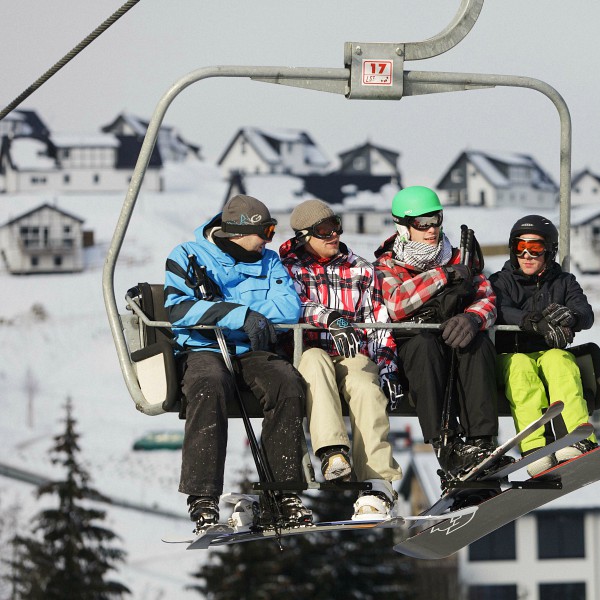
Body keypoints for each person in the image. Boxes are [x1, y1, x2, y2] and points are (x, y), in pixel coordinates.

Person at [164, 194, 312, 533]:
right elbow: (179, 310)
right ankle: (202, 496)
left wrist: (241, 316)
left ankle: (283, 491)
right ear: (237, 231)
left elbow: (289, 308)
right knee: (209, 384)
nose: (269, 240)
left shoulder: (270, 261)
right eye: (266, 232)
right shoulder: (188, 256)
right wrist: (240, 314)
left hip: (250, 350)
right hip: (204, 348)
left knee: (287, 383)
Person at [279, 199, 403, 519]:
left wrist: (388, 367)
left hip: (351, 354)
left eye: (336, 226)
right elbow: (289, 307)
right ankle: (333, 453)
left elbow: (377, 322)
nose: (334, 235)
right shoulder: (286, 268)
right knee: (315, 361)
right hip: (308, 351)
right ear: (304, 235)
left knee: (365, 385)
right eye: (324, 230)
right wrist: (330, 318)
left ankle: (377, 483)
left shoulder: (360, 269)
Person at [374, 185, 504, 480]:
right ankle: (445, 443)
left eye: (436, 219)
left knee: (478, 344)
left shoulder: (460, 257)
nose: (431, 229)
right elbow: (396, 303)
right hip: (417, 353)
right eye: (422, 223)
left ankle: (481, 442)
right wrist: (442, 275)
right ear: (404, 227)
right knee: (424, 345)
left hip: (454, 344)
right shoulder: (386, 264)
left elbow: (487, 297)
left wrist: (472, 318)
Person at [489, 214, 598, 477]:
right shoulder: (500, 281)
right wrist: (530, 321)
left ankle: (576, 437)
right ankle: (535, 447)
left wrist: (571, 317)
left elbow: (586, 313)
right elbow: (497, 309)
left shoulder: (563, 282)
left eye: (535, 248)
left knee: (559, 362)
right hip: (511, 353)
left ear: (548, 251)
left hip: (549, 351)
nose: (526, 254)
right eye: (520, 247)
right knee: (520, 369)